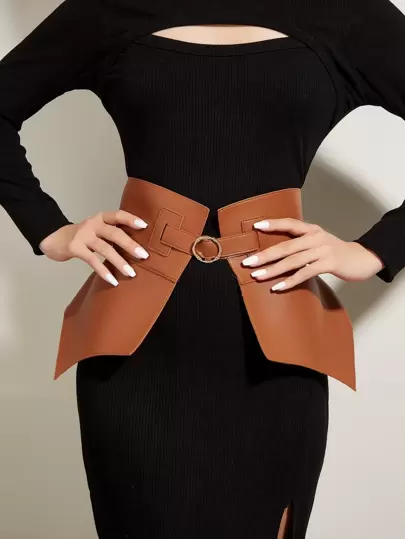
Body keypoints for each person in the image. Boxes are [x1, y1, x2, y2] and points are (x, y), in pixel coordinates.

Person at [1, 1, 405, 538]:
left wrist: (372, 251)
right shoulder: (105, 8)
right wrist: (51, 231)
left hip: (277, 351)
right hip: (135, 354)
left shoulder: (348, 13)